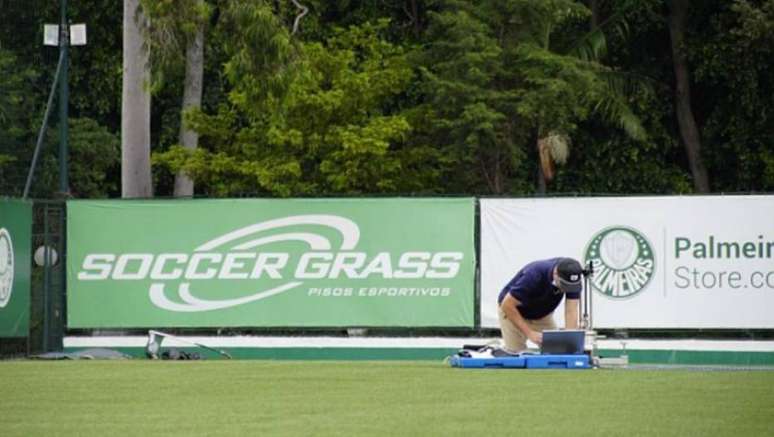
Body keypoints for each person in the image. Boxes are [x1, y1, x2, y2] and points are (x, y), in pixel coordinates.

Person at [497, 257, 583, 353]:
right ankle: (494, 347)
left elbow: (571, 311)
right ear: (555, 274)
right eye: (564, 285)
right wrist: (529, 333)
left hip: (542, 315)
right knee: (516, 354)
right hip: (513, 311)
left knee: (559, 352)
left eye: (570, 286)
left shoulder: (573, 279)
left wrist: (570, 342)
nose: (567, 289)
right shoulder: (534, 274)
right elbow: (507, 305)